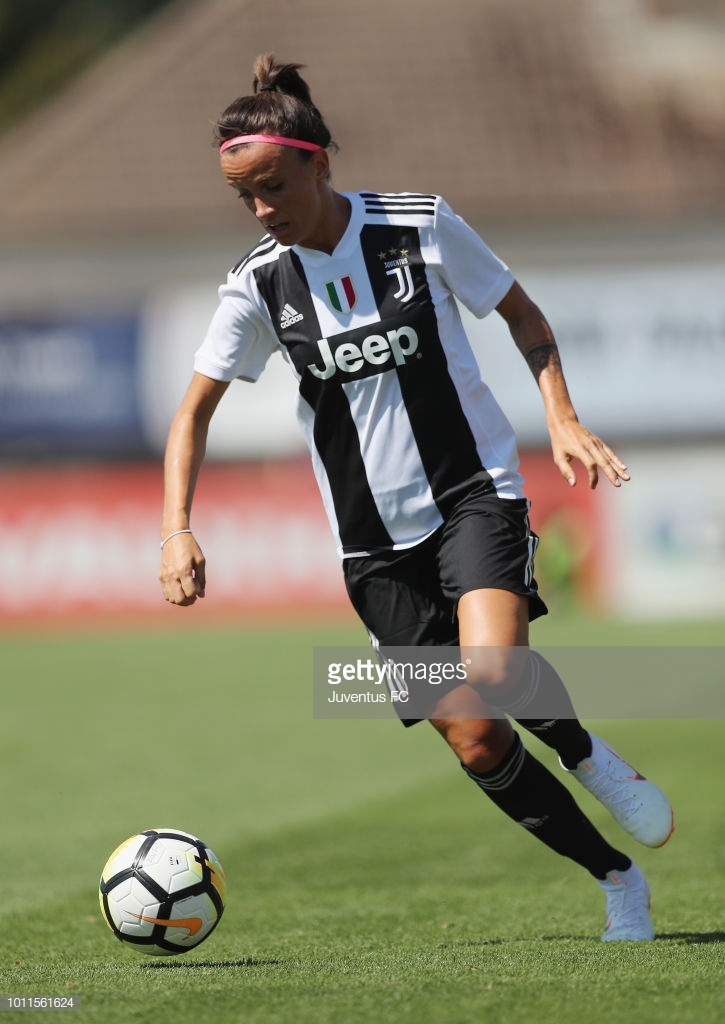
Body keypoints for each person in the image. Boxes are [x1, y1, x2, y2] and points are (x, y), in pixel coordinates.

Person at [159, 55, 673, 942]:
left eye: (273, 187)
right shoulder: (257, 284)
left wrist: (560, 416)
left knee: (495, 670)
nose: (263, 209)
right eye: (245, 197)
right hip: (371, 547)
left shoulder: (418, 225)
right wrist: (176, 529)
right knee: (477, 740)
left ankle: (585, 752)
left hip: (471, 493)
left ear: (319, 164)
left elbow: (523, 317)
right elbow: (191, 413)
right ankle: (616, 879)